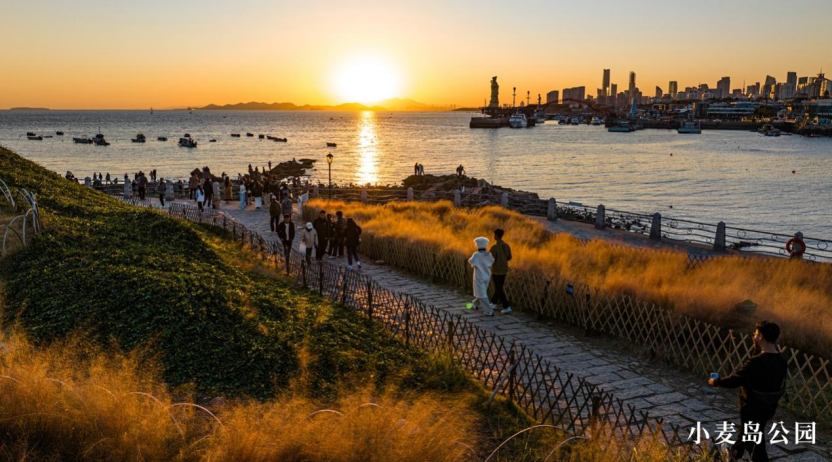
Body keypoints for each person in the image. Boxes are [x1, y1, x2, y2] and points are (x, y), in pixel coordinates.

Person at [708, 320, 787, 462]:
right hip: (768, 408)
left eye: (755, 334)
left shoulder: (756, 362)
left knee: (754, 444)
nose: (754, 337)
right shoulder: (782, 360)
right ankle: (731, 456)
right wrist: (758, 350)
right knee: (746, 435)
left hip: (751, 408)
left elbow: (736, 380)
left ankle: (732, 457)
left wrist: (716, 381)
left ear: (761, 336)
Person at [468, 237, 495, 316]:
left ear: (477, 245)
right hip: (487, 275)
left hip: (479, 276)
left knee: (482, 294)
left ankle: (488, 311)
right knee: (482, 291)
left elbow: (470, 261)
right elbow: (492, 261)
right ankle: (475, 303)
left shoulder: (476, 255)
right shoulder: (489, 254)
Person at [490, 228, 513, 314]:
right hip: (504, 270)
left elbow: (490, 259)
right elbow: (509, 257)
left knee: (499, 288)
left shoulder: (494, 247)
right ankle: (493, 303)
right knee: (498, 287)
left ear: (496, 236)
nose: (494, 236)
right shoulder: (506, 246)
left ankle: (507, 306)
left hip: (496, 270)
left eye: (494, 235)